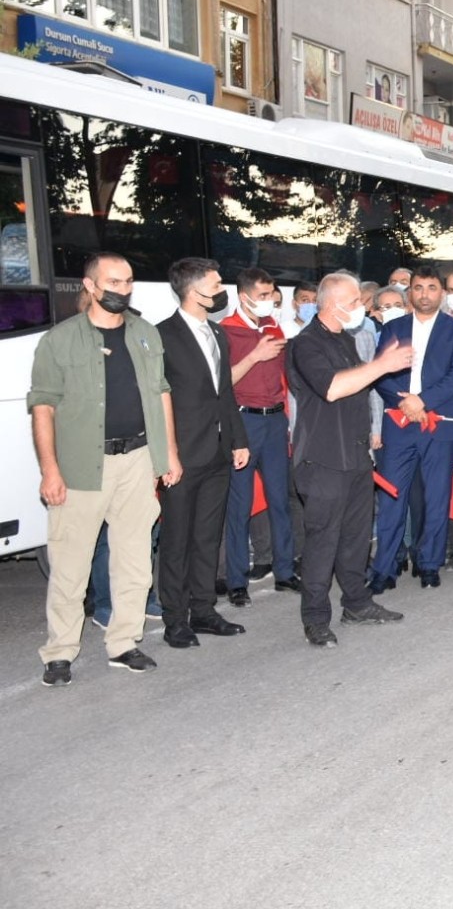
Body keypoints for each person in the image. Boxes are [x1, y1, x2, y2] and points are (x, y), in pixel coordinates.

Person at [32, 253, 175, 685]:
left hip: (137, 460)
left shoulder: (146, 334)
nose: (122, 288)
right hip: (80, 466)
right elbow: (42, 408)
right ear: (90, 286)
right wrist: (50, 470)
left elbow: (162, 393)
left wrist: (168, 456)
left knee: (134, 560)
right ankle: (59, 653)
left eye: (128, 281)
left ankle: (125, 642)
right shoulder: (59, 340)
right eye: (113, 281)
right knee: (70, 565)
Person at [287, 272, 411, 646]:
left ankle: (357, 602)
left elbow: (360, 387)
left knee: (356, 538)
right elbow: (332, 388)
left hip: (356, 455)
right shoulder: (305, 344)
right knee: (323, 541)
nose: (362, 307)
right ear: (331, 303)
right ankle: (315, 618)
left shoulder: (346, 338)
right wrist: (382, 365)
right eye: (355, 301)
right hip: (323, 459)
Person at [155, 258, 249, 650]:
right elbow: (157, 400)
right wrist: (167, 454)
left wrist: (238, 439)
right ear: (194, 291)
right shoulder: (161, 335)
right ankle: (175, 619)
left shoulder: (217, 333)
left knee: (208, 536)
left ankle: (204, 610)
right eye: (216, 283)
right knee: (176, 540)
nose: (221, 288)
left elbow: (224, 391)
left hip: (217, 450)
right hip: (182, 455)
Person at [372, 267, 453, 590]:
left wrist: (423, 402)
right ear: (410, 293)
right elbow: (380, 372)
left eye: (431, 287)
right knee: (391, 498)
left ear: (441, 292)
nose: (425, 294)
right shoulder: (394, 328)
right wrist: (405, 404)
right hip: (400, 424)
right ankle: (385, 568)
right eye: (418, 288)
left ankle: (429, 563)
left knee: (436, 496)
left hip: (438, 425)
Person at [221, 268, 299, 607]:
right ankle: (237, 580)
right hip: (243, 423)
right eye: (264, 296)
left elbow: (283, 377)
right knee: (238, 506)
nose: (270, 303)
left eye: (272, 296)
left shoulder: (273, 326)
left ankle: (284, 571)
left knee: (280, 501)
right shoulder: (225, 332)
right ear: (244, 296)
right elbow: (221, 383)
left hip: (273, 422)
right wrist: (255, 356)